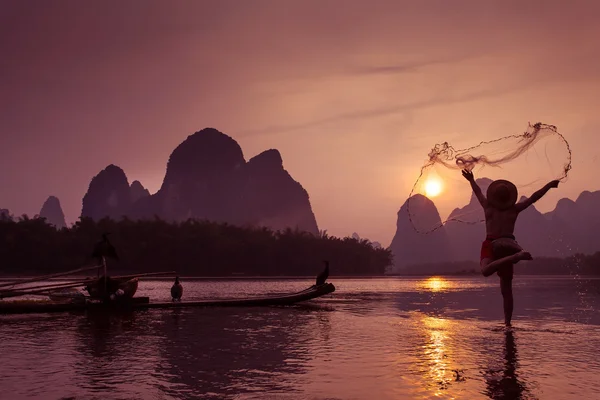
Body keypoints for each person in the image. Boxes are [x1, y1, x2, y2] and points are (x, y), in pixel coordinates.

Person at [462, 169, 559, 326]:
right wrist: (549, 185)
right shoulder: (514, 209)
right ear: (508, 198)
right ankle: (508, 324)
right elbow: (534, 198)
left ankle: (507, 324)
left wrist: (471, 180)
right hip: (507, 246)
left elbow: (478, 192)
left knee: (487, 272)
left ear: (493, 197)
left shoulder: (488, 207)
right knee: (506, 291)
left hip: (495, 244)